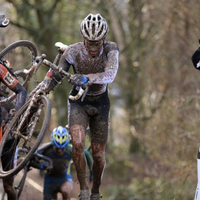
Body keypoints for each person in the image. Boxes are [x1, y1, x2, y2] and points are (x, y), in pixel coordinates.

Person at [44, 13, 119, 200]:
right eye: (89, 43)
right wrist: (45, 89)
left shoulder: (111, 49)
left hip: (101, 103)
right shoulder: (73, 51)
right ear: (83, 39)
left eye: (97, 43)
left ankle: (96, 191)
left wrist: (88, 78)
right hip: (79, 102)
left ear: (104, 39)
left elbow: (110, 75)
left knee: (98, 154)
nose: (93, 48)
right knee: (77, 144)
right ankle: (84, 189)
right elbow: (57, 74)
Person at [0, 14, 27, 200]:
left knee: (9, 187)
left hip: (6, 133)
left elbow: (21, 90)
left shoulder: (1, 69)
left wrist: (17, 115)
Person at [30, 126, 93, 200]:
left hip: (64, 179)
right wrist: (41, 165)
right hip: (49, 180)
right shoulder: (45, 149)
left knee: (66, 191)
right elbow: (33, 157)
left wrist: (92, 173)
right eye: (57, 148)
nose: (60, 150)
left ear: (66, 145)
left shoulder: (70, 150)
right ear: (53, 144)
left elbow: (87, 154)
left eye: (62, 148)